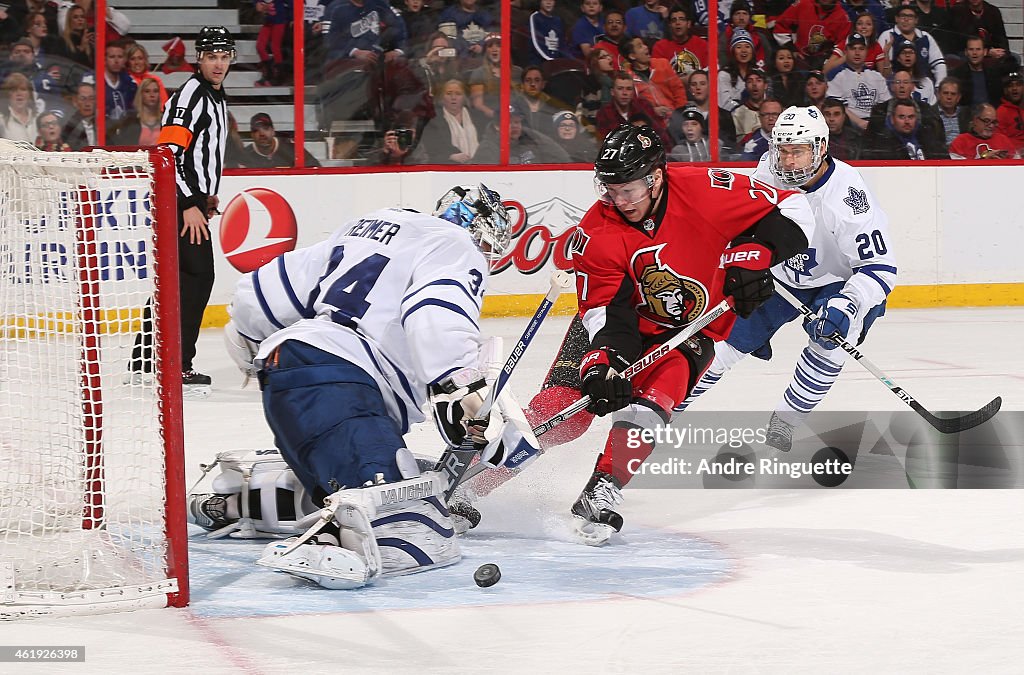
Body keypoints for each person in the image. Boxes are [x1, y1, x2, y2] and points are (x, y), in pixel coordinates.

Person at [202, 185, 514, 588]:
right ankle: (336, 543)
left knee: (347, 483)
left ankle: (239, 499)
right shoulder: (455, 244)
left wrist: (248, 335)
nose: (486, 257)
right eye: (488, 245)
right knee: (420, 532)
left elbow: (263, 295)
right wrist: (458, 384)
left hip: (287, 372)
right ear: (477, 230)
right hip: (344, 388)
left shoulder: (376, 223)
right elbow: (436, 315)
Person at [552, 124, 815, 544]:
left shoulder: (705, 189)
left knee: (656, 402)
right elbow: (604, 309)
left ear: (656, 177)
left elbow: (794, 208)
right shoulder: (598, 227)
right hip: (619, 325)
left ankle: (603, 488)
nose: (619, 201)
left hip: (687, 330)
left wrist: (755, 257)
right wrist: (603, 363)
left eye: (629, 190)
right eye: (611, 189)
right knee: (563, 414)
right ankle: (479, 475)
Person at [674, 105, 896, 454]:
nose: (789, 161)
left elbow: (879, 268)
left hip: (837, 281)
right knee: (721, 343)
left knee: (832, 341)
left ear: (821, 148)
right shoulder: (768, 169)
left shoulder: (848, 195)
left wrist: (847, 303)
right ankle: (665, 409)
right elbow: (745, 221)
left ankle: (787, 418)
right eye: (783, 150)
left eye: (798, 151)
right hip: (778, 275)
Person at [128, 27, 235, 394]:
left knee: (175, 280)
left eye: (224, 57)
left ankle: (146, 363)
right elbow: (167, 156)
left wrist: (205, 196)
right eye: (211, 57)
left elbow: (194, 156)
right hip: (179, 202)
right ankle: (176, 366)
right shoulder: (192, 95)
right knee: (196, 277)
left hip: (190, 201)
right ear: (199, 59)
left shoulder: (216, 96)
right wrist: (189, 202)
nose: (218, 63)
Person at [825, 32, 890, 131]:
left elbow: (886, 104)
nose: (857, 53)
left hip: (876, 125)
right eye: (853, 48)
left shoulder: (876, 76)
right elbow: (837, 107)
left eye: (861, 49)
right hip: (849, 128)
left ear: (866, 51)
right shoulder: (836, 75)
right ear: (846, 51)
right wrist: (860, 123)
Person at [862, 96, 949, 159]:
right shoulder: (882, 145)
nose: (907, 121)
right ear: (892, 119)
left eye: (911, 117)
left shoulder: (928, 138)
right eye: (902, 117)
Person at [239, 112, 322, 167]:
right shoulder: (245, 156)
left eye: (265, 128)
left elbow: (316, 169)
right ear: (252, 135)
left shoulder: (292, 150)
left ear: (273, 131)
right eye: (257, 130)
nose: (262, 134)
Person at [651, 5, 708, 81]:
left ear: (688, 24)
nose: (677, 23)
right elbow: (658, 77)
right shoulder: (660, 47)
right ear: (670, 25)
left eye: (681, 19)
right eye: (674, 20)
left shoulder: (702, 44)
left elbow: (709, 70)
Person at [948, 103, 1017, 159]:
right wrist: (982, 159)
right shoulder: (960, 142)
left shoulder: (1003, 140)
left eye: (994, 122)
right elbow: (957, 170)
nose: (991, 126)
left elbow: (1018, 165)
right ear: (975, 120)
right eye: (987, 121)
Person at [950, 36, 1003, 108]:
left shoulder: (993, 74)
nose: (974, 53)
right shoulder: (956, 75)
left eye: (978, 49)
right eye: (971, 49)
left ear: (985, 52)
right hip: (966, 116)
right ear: (966, 52)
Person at [108, 76, 163, 146]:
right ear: (141, 95)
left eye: (155, 91)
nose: (152, 95)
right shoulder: (130, 119)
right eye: (147, 91)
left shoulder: (165, 119)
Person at [254, 0, 291, 86]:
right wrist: (257, 3)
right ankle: (269, 73)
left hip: (279, 20)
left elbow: (291, 3)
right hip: (268, 20)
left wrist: (291, 18)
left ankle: (279, 76)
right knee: (260, 46)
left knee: (275, 47)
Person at [932, 77, 970, 147]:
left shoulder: (966, 114)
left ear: (958, 97)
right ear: (938, 95)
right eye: (945, 93)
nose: (949, 97)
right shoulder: (930, 114)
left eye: (953, 94)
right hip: (942, 154)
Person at [822, 96, 862, 160]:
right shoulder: (817, 139)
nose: (831, 119)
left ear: (844, 117)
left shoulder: (856, 138)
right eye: (827, 114)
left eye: (836, 114)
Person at [996, 70, 1024, 154]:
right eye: (1010, 86)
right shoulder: (1001, 112)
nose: (1014, 88)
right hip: (1014, 155)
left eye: (1018, 85)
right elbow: (1000, 140)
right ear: (1005, 90)